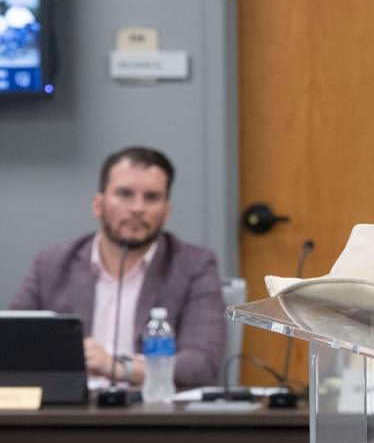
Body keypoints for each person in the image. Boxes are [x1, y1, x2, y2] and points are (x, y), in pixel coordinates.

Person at [11, 147, 226, 390]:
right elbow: (12, 344)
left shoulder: (194, 266)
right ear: (98, 205)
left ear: (166, 211)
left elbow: (202, 364)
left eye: (151, 197)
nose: (137, 208)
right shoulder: (52, 264)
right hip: (67, 413)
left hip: (149, 417)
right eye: (125, 194)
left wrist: (120, 368)